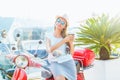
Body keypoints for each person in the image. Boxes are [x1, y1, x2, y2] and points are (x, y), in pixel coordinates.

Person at [46, 15, 77, 80]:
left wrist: (71, 42)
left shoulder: (66, 36)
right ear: (55, 22)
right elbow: (49, 50)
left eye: (63, 23)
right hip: (55, 62)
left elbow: (71, 54)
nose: (60, 23)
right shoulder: (49, 35)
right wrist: (64, 41)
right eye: (58, 21)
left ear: (64, 27)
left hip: (68, 61)